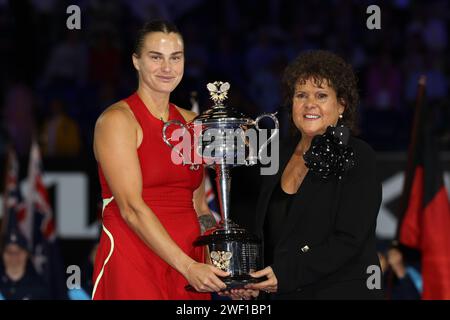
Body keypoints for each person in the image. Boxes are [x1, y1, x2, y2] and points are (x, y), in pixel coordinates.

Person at [92, 20, 227, 300]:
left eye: (175, 58)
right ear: (136, 61)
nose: (167, 68)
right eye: (156, 57)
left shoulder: (194, 123)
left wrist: (225, 268)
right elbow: (131, 208)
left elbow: (200, 205)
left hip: (189, 259)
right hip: (135, 258)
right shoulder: (117, 121)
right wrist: (188, 266)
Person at [243, 50, 384, 299]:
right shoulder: (276, 153)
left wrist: (285, 275)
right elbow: (266, 232)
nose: (310, 104)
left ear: (341, 104)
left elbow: (349, 240)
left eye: (321, 95)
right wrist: (250, 279)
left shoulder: (359, 156)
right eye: (301, 95)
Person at [0, 229, 50, 300]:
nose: (14, 256)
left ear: (26, 254)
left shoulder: (39, 288)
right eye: (9, 251)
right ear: (3, 255)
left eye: (18, 252)